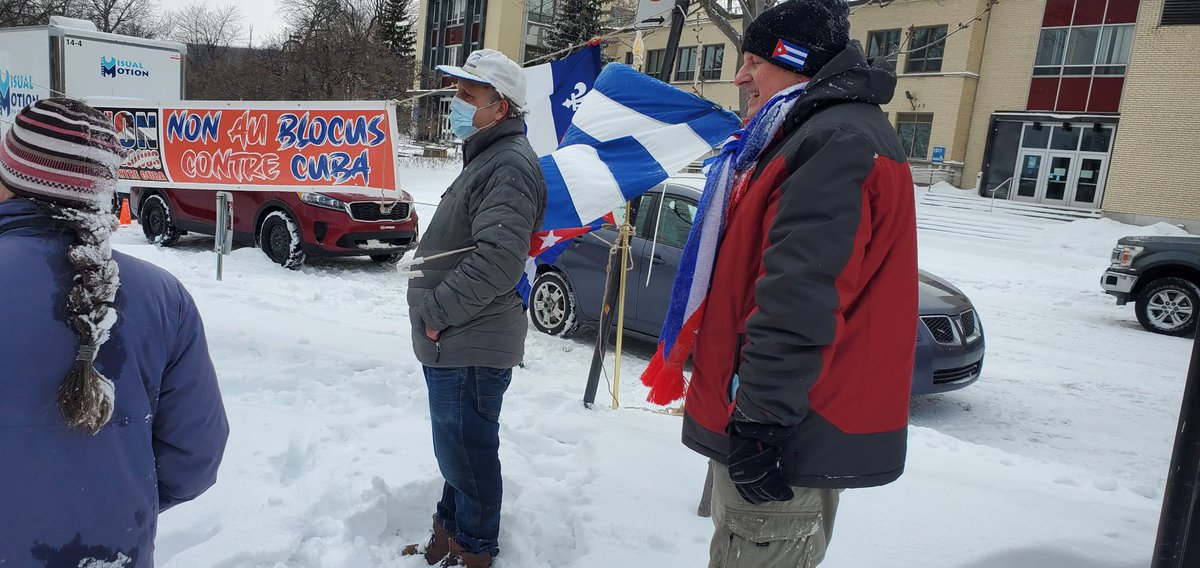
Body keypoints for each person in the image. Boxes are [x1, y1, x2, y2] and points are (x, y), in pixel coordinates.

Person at [641, 1, 919, 566]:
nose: (740, 77)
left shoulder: (832, 141)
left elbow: (799, 297)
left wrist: (762, 424)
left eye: (754, 62)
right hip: (786, 420)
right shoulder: (811, 133)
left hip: (788, 431)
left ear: (795, 62)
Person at [0, 98, 229, 568]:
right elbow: (195, 457)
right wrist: (114, 498)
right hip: (110, 551)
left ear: (10, 183)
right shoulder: (162, 296)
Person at [405, 49, 547, 568]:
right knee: (456, 452)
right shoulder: (488, 156)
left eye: (469, 95)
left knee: (468, 455)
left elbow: (498, 259)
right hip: (459, 338)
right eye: (457, 91)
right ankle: (450, 538)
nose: (456, 102)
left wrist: (436, 313)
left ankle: (474, 552)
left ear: (501, 107)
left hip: (467, 336)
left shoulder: (508, 164)